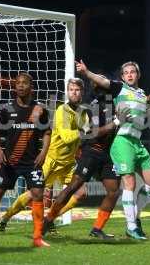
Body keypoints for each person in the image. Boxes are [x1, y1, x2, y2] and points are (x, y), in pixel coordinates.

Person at [75, 60, 150, 240]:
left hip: (137, 142)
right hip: (122, 141)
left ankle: (135, 217)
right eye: (126, 72)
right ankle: (131, 227)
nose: (130, 74)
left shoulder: (141, 94)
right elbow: (104, 82)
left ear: (138, 75)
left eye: (133, 72)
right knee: (129, 183)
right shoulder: (119, 89)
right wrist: (86, 72)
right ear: (123, 77)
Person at [0, 78, 89, 234]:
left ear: (82, 92)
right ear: (67, 91)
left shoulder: (83, 113)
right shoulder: (62, 111)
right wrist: (84, 131)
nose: (74, 92)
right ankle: (5, 218)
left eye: (77, 90)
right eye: (71, 89)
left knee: (81, 194)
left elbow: (87, 135)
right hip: (52, 160)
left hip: (69, 162)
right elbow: (67, 137)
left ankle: (49, 219)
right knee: (33, 194)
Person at [42, 76, 132, 239]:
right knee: (72, 188)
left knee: (113, 191)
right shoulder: (90, 108)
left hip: (107, 154)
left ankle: (97, 229)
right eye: (101, 82)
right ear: (97, 88)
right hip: (91, 152)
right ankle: (47, 221)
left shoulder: (114, 103)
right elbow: (93, 132)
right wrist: (117, 122)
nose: (106, 83)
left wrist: (148, 103)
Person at [0, 73, 51, 247]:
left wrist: (44, 152)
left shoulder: (40, 110)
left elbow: (46, 132)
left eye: (24, 83)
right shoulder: (7, 109)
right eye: (18, 83)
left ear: (31, 87)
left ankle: (37, 237)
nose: (20, 86)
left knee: (38, 194)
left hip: (32, 162)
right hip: (10, 162)